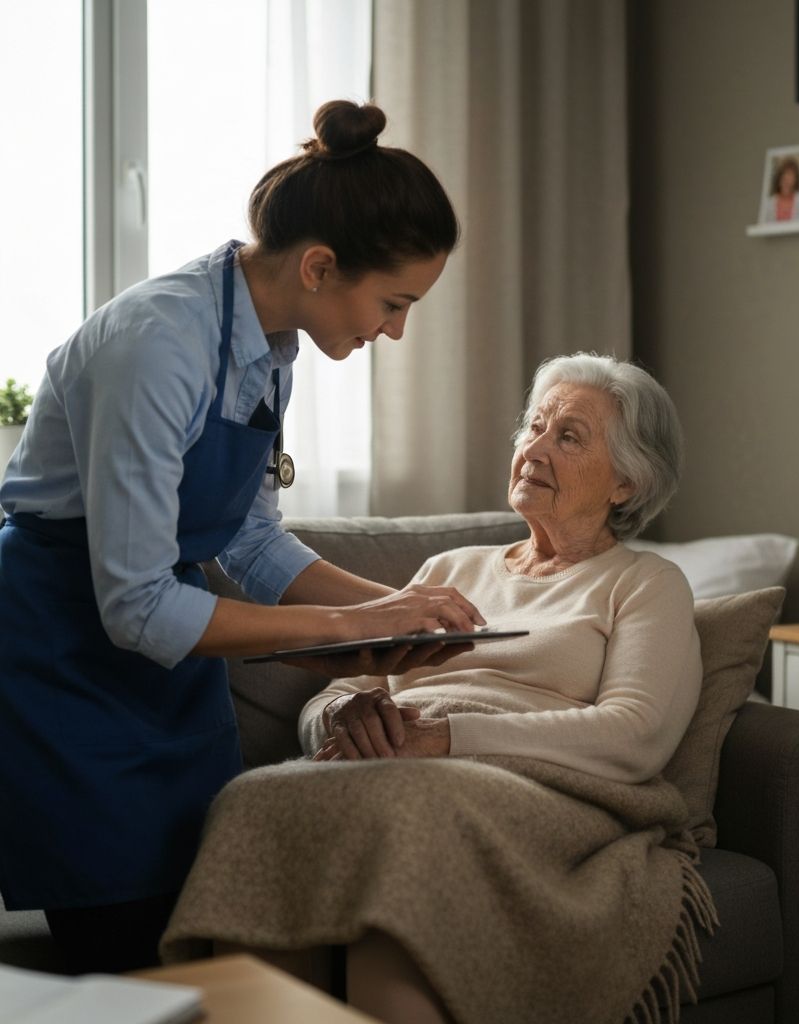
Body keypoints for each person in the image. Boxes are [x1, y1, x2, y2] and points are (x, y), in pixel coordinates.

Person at [0, 100, 484, 974]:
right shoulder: (156, 347)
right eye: (394, 302)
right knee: (126, 954)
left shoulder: (273, 345)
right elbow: (138, 606)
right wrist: (345, 632)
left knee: (217, 932)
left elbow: (251, 544)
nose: (396, 330)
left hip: (171, 666)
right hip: (64, 648)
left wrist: (399, 610)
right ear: (320, 266)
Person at [282, 353, 704, 1024]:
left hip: (551, 790)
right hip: (404, 771)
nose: (534, 448)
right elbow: (336, 690)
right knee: (258, 800)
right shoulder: (451, 568)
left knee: (403, 816)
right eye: (533, 427)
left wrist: (445, 738)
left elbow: (635, 736)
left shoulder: (644, 583)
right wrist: (344, 720)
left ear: (626, 482)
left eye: (567, 436)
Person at [761, 155, 799, 222]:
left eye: (790, 176)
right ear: (779, 179)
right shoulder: (769, 203)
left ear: (796, 180)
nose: (786, 181)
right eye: (784, 176)